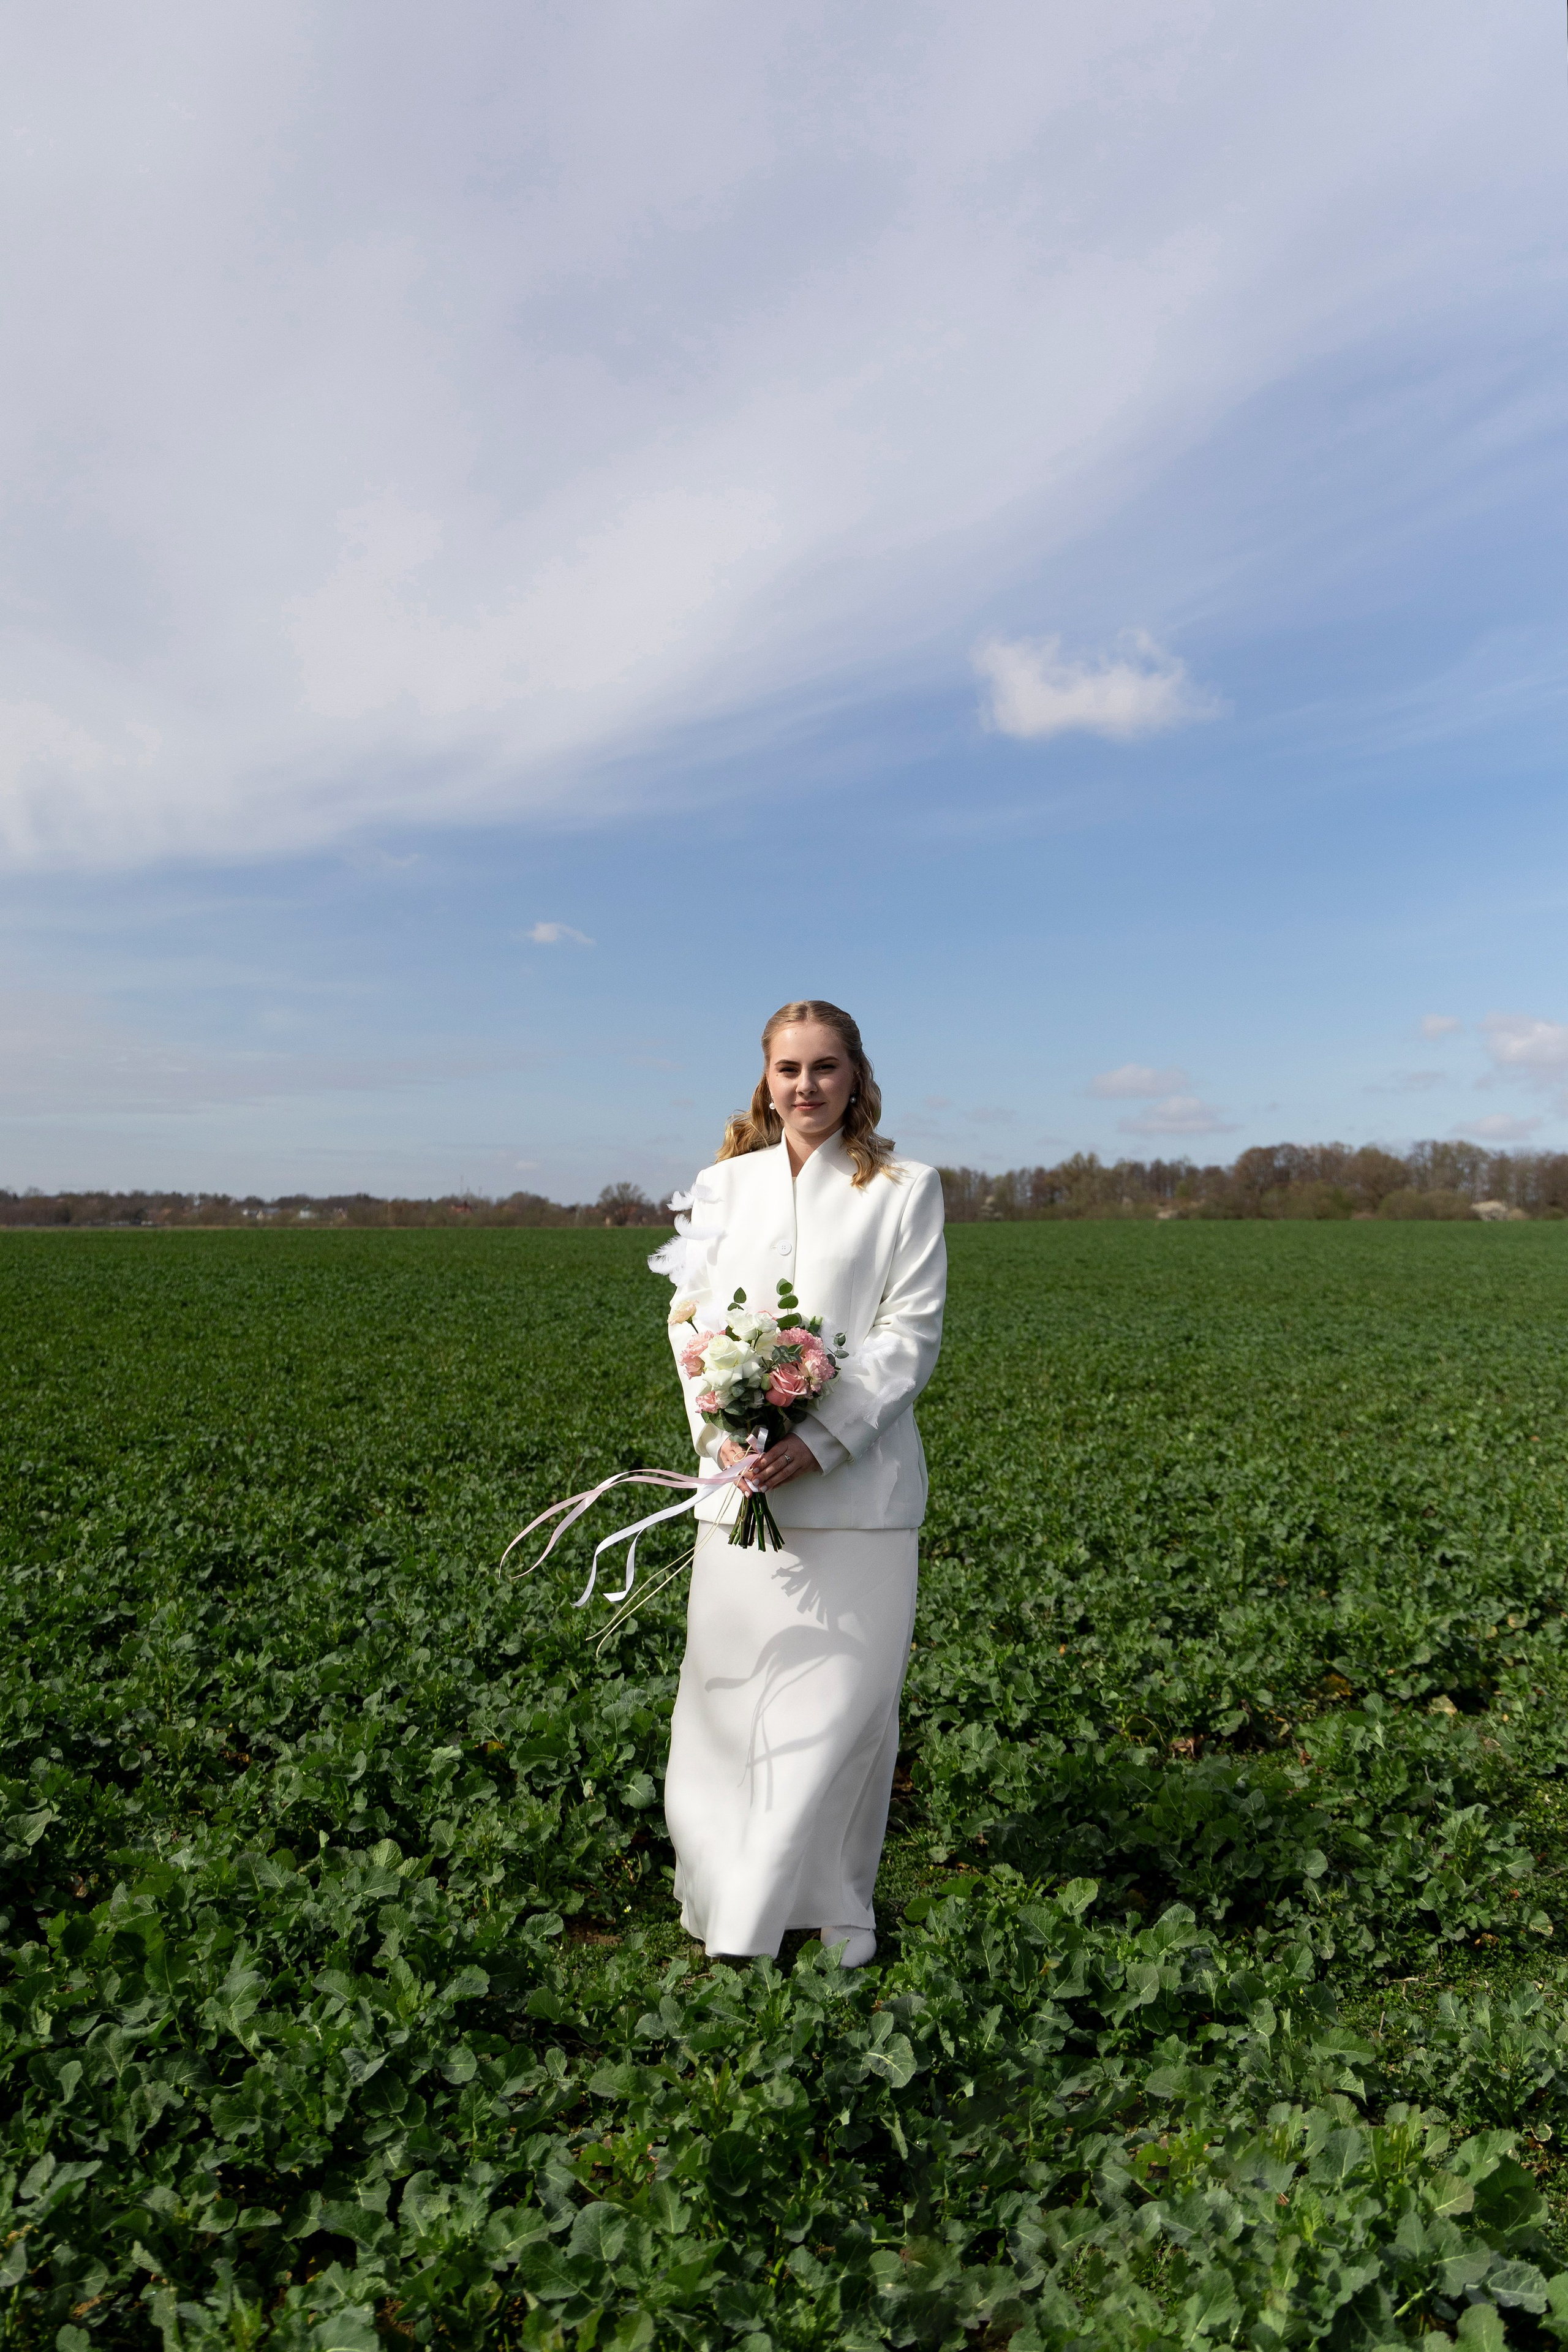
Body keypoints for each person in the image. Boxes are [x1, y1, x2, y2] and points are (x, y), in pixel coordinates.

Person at [651, 999, 946, 1966]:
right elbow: (688, 1323)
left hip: (860, 1501)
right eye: (790, 1069)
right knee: (733, 1706)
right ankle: (734, 1908)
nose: (807, 1087)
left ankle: (836, 1905)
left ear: (857, 1076)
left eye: (826, 1068)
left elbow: (910, 1337)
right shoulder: (719, 1186)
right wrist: (726, 1434)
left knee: (842, 1715)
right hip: (741, 1496)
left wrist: (821, 1439)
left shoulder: (904, 1189)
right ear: (765, 1080)